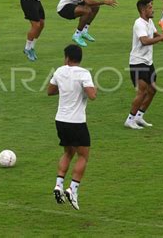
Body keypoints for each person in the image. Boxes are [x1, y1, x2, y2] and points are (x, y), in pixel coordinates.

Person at [48, 44, 97, 210]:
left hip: (60, 120)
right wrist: (86, 88)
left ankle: (58, 184)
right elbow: (92, 96)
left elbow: (50, 91)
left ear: (67, 58)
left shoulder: (59, 71)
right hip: (77, 122)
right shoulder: (84, 73)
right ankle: (73, 189)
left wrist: (65, 88)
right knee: (83, 156)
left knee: (68, 152)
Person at [124, 0, 163, 130]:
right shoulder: (139, 24)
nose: (153, 9)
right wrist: (162, 37)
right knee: (142, 92)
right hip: (138, 62)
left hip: (148, 62)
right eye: (150, 7)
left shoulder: (149, 22)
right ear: (143, 10)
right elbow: (144, 41)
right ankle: (130, 119)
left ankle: (139, 116)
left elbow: (157, 36)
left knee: (153, 89)